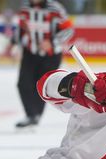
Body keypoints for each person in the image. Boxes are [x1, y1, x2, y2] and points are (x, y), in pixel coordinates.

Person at [14, 0, 74, 129]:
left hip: (51, 55)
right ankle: (31, 115)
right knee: (23, 83)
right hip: (30, 52)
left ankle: (35, 116)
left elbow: (69, 29)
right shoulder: (24, 8)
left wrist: (52, 42)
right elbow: (21, 28)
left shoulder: (56, 9)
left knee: (42, 85)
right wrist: (16, 44)